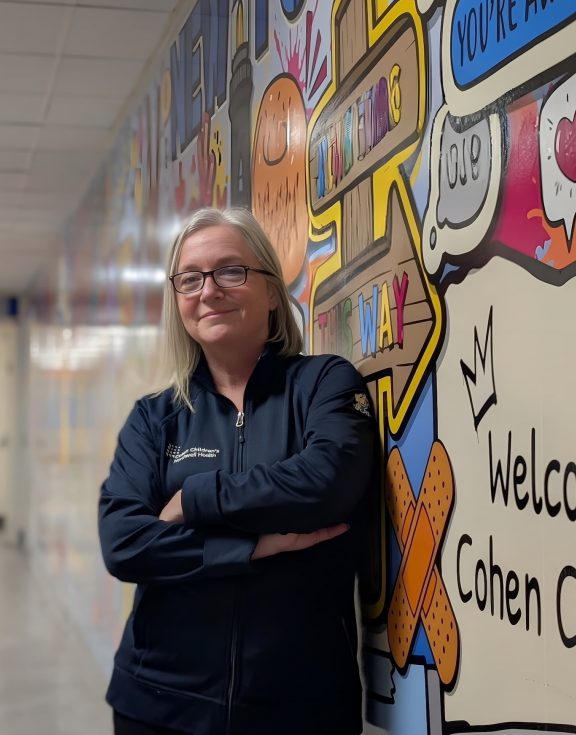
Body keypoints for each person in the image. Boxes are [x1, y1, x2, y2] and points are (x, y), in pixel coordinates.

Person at [98, 207, 378, 735]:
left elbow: (328, 482)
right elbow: (124, 543)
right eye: (190, 279)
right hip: (159, 705)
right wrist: (250, 547)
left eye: (231, 270)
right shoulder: (154, 419)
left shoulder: (324, 384)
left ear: (271, 290)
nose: (209, 290)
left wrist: (195, 499)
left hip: (300, 711)